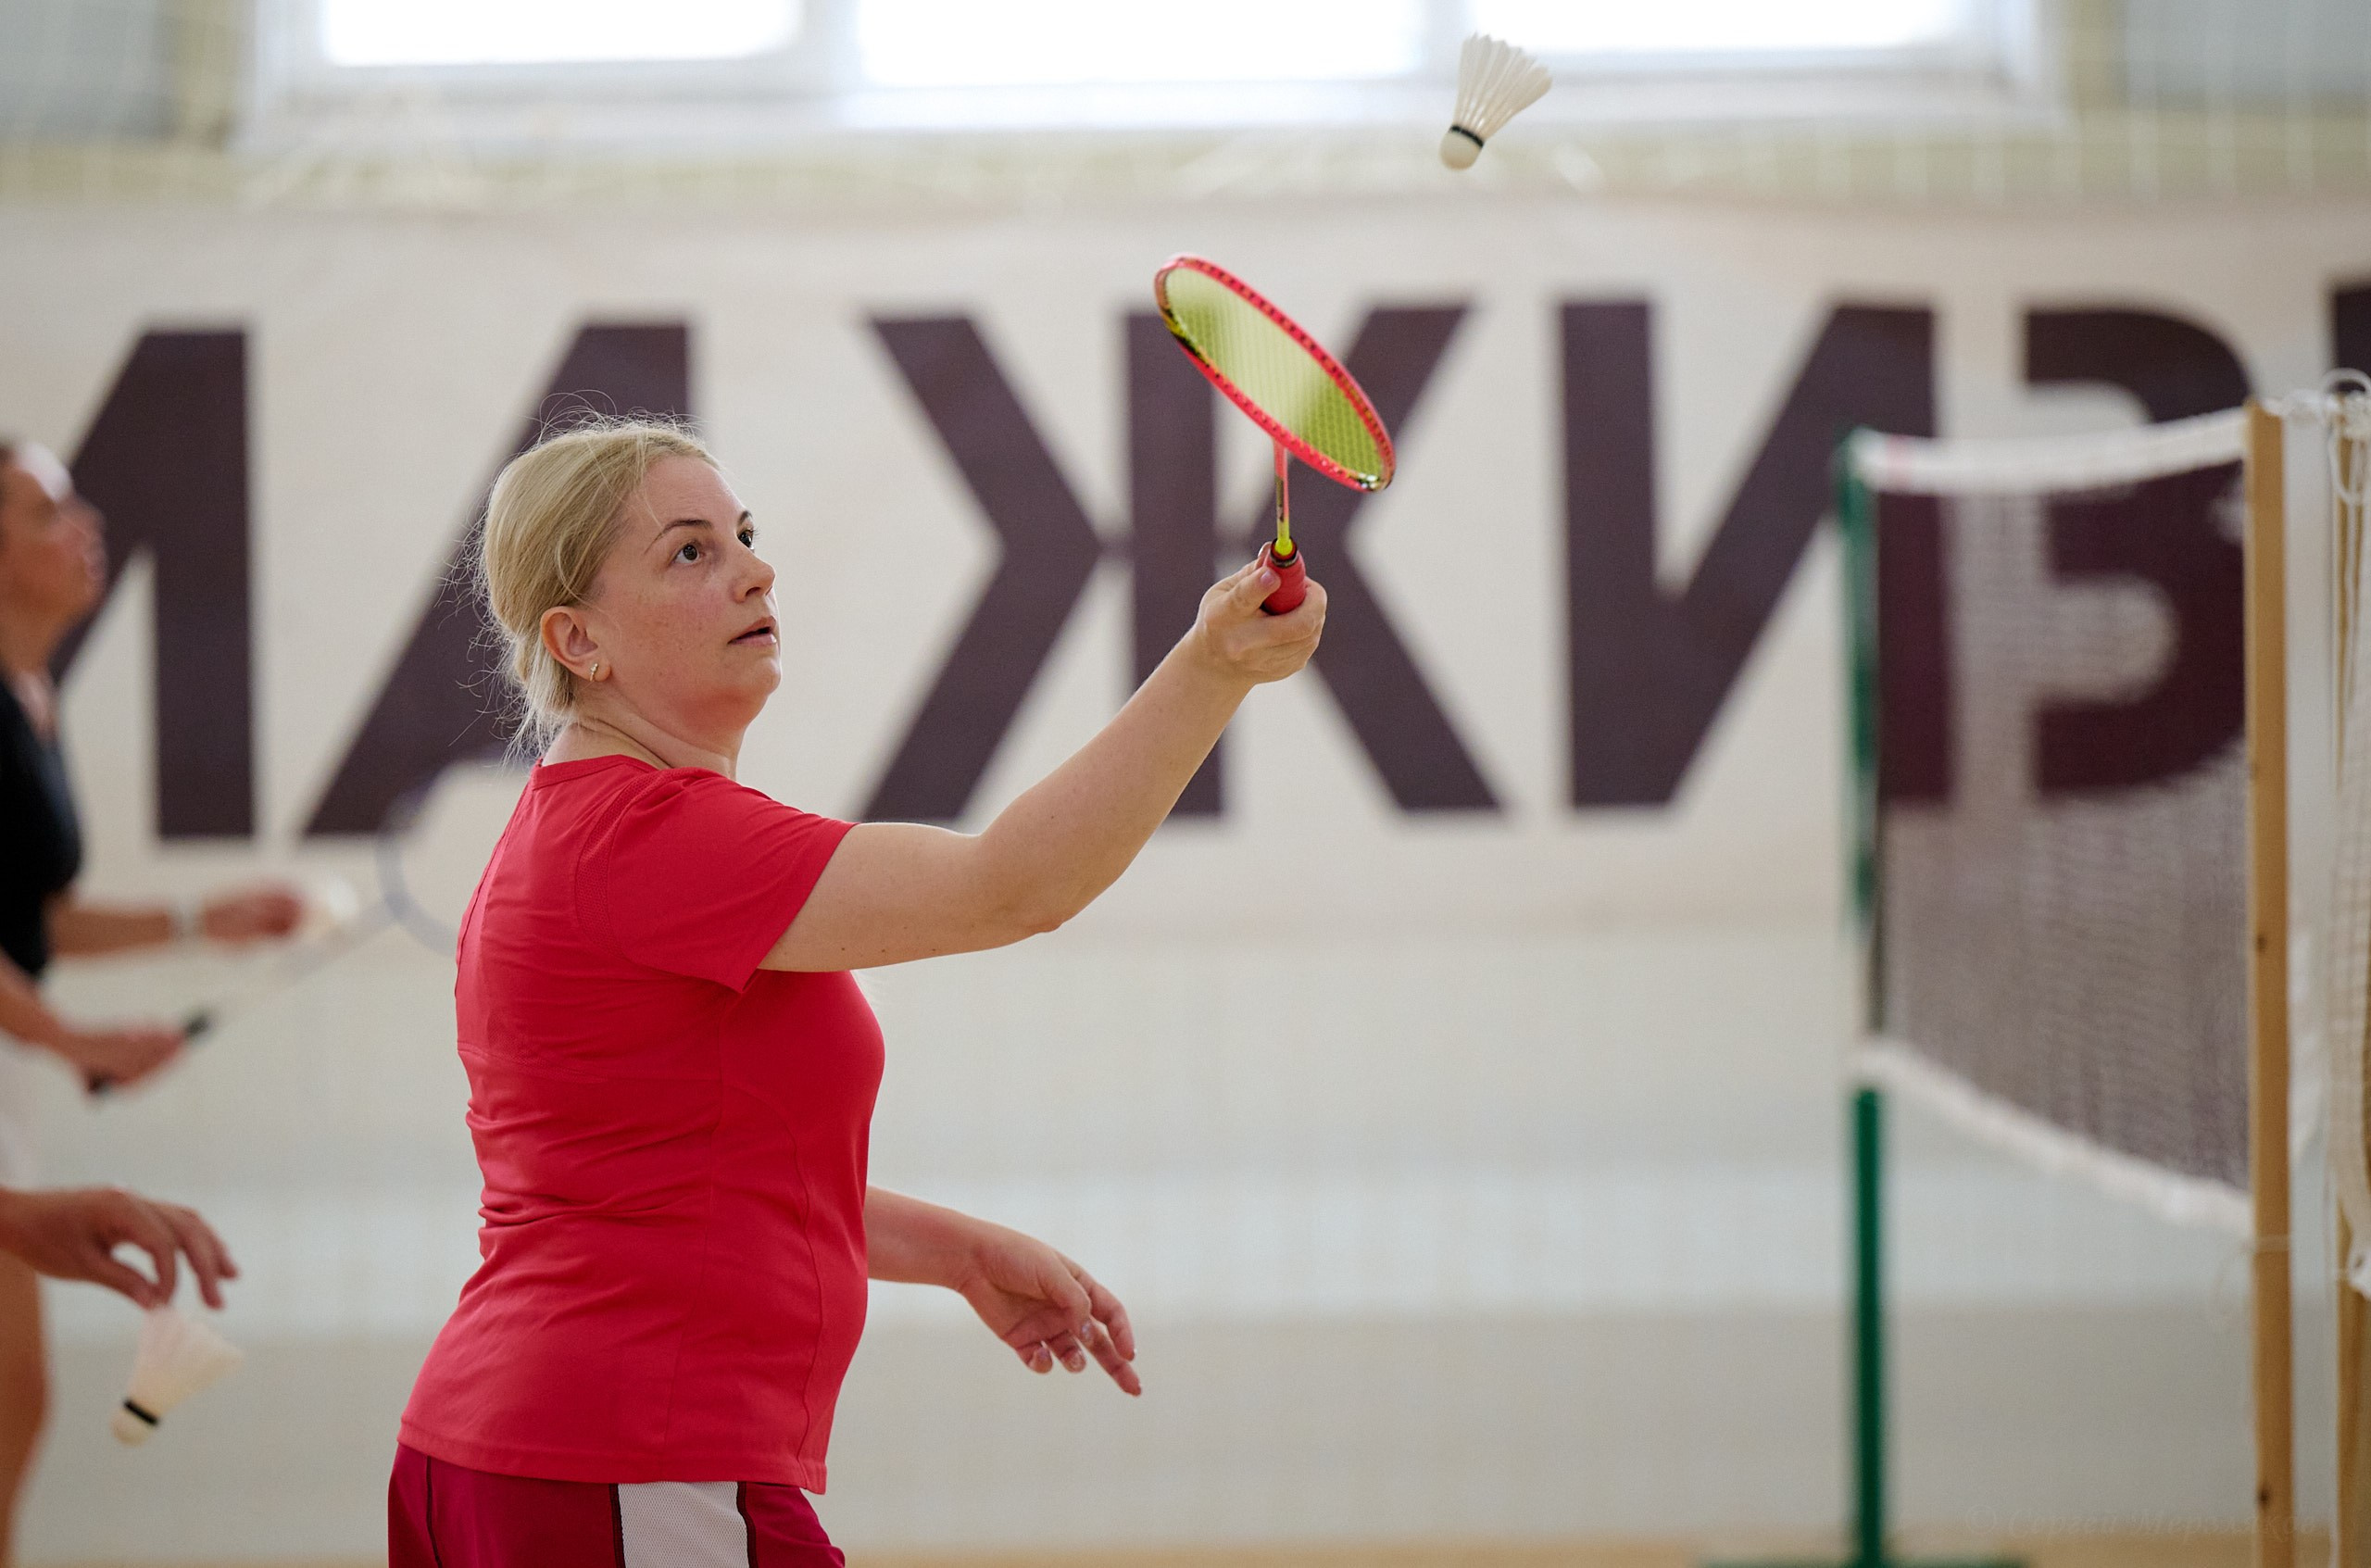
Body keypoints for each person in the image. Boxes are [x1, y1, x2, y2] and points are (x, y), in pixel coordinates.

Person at [389, 420, 1324, 1564]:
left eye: (742, 535)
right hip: (620, 1464)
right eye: (689, 552)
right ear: (578, 639)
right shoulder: (650, 837)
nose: (752, 567)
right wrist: (1214, 663)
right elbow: (1012, 887)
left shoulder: (578, 828)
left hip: (515, 1456)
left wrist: (958, 1252)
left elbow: (668, 1180)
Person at [0, 438, 301, 1558]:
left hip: (13, 1067)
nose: (81, 526)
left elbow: (32, 918)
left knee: (15, 1406)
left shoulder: (30, 695)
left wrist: (198, 920)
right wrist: (74, 1035)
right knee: (14, 1398)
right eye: (42, 512)